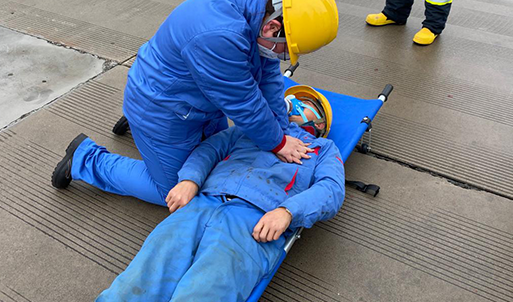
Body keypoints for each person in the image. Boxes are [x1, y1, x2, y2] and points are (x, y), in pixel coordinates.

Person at [51, 0, 339, 206]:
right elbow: (244, 102)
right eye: (285, 51)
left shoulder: (256, 2)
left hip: (191, 98)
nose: (282, 56)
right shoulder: (218, 36)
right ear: (273, 27)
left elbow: (268, 76)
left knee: (216, 162)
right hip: (162, 109)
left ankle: (146, 136)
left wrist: (282, 128)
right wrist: (278, 143)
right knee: (176, 190)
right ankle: (87, 159)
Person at [95, 85, 344, 302]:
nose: (293, 104)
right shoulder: (250, 130)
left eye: (305, 104)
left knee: (205, 290)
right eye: (291, 100)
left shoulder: (322, 149)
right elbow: (211, 148)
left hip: (254, 223)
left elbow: (331, 188)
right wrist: (190, 179)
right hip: (203, 201)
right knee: (141, 278)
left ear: (319, 124)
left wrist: (288, 211)